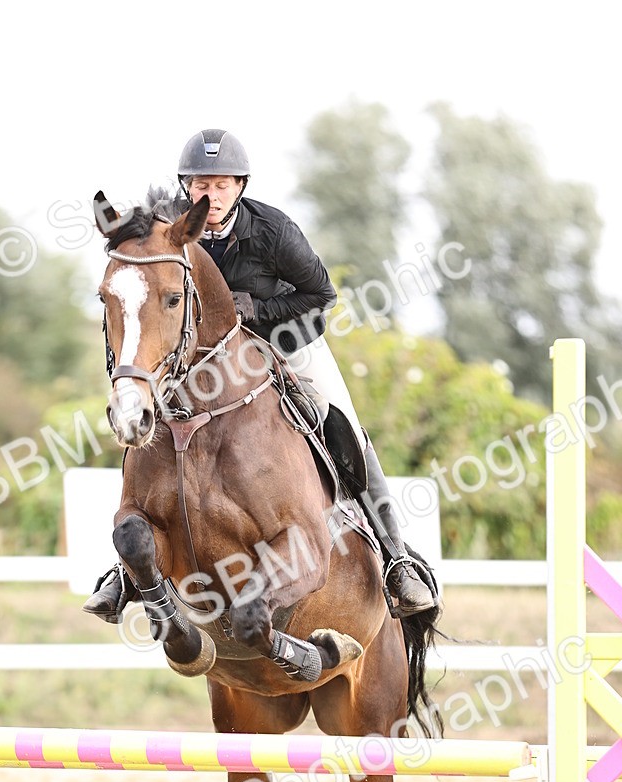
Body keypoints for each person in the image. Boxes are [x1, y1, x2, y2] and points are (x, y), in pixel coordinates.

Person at [84, 128, 435, 623]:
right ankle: (126, 571)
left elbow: (320, 298)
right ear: (187, 185)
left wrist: (258, 310)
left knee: (345, 422)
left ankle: (396, 558)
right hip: (203, 360)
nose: (212, 194)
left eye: (223, 184)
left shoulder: (272, 230)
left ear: (240, 186)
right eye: (202, 184)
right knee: (149, 425)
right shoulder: (169, 232)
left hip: (286, 341)